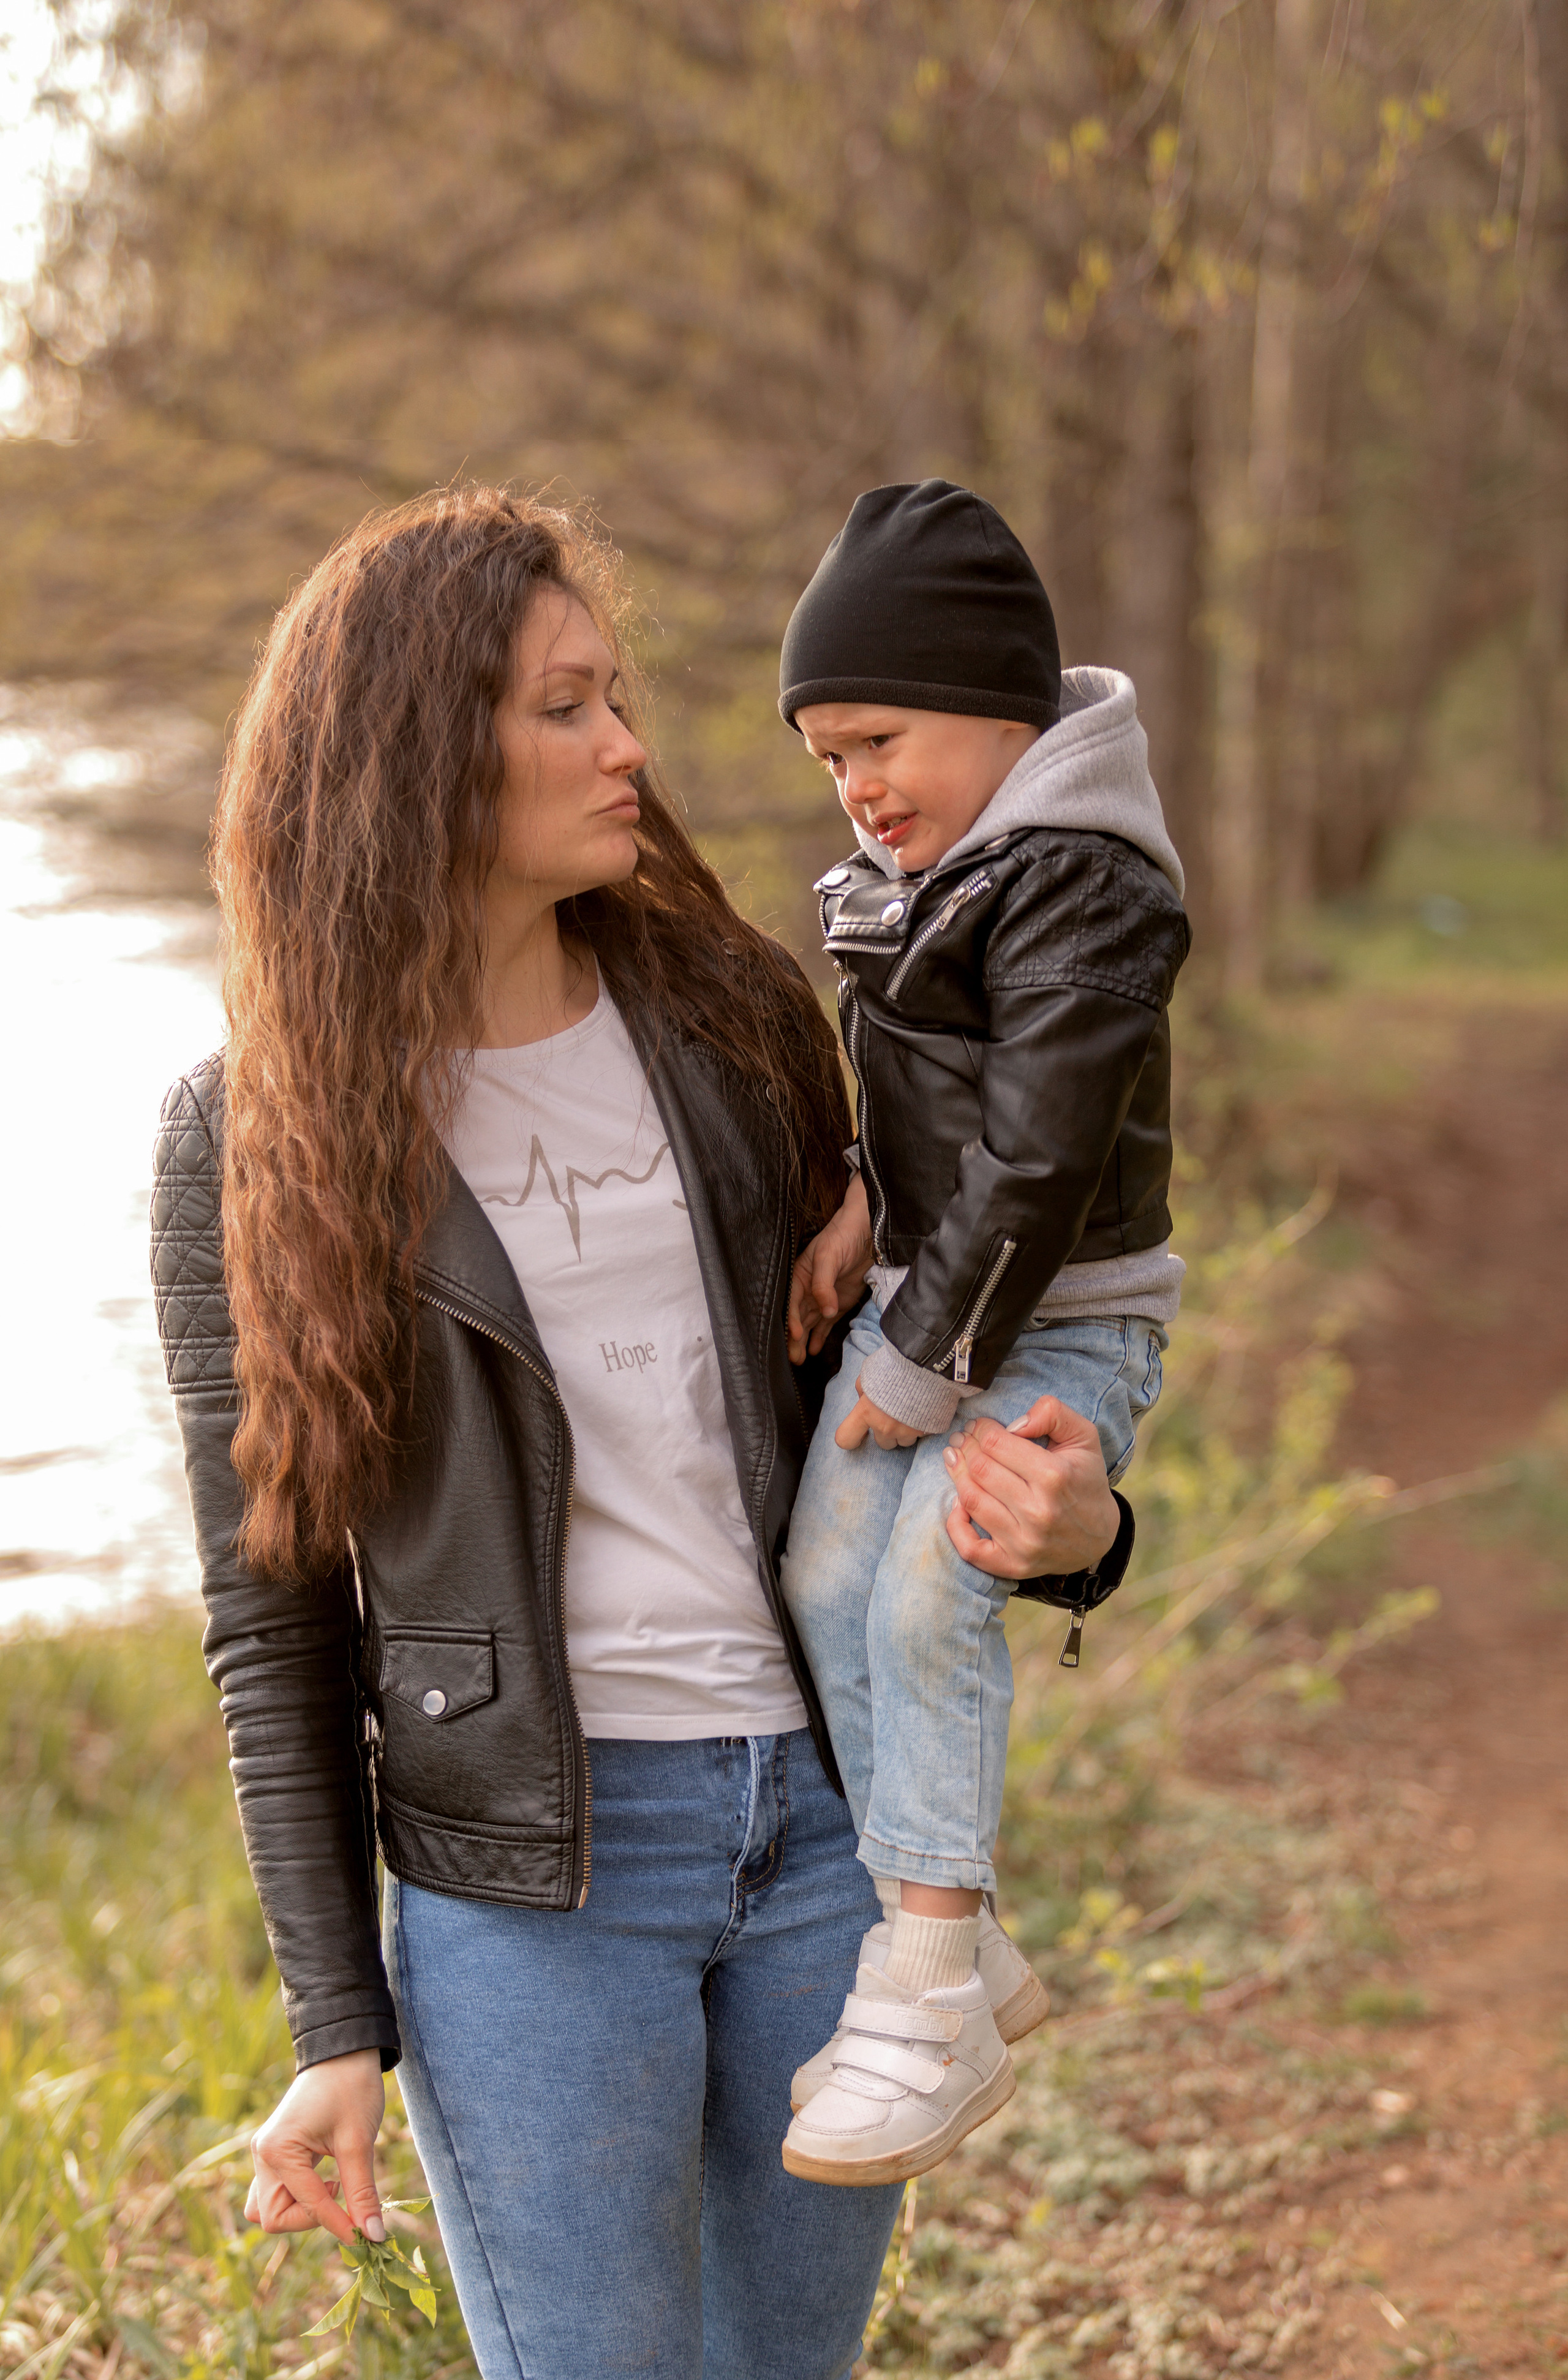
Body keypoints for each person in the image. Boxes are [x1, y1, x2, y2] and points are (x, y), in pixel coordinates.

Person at [149, 485, 1131, 2380]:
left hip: (826, 1838)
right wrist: (333, 2026)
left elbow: (920, 1377)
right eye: (564, 707)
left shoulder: (740, 1020)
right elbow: (271, 1611)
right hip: (533, 1895)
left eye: (615, 697)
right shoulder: (252, 1137)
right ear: (419, 757)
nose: (626, 746)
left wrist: (1084, 1537)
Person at [773, 480, 1191, 2187]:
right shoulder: (923, 880)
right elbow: (930, 1111)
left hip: (1061, 1327)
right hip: (933, 1297)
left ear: (997, 706)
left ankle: (931, 1977)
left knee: (929, 1593)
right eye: (829, 761)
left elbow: (1037, 1161)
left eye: (880, 740)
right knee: (823, 1579)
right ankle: (948, 1947)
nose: (858, 788)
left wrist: (913, 1355)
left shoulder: (1087, 888)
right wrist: (863, 1203)